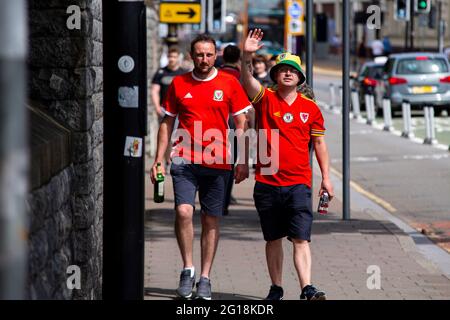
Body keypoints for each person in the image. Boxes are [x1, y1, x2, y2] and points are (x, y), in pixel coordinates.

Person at [151, 34, 251, 300]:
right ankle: (188, 268)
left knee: (210, 219)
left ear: (215, 55)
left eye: (209, 54)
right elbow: (167, 123)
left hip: (218, 161)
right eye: (199, 54)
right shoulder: (178, 83)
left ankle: (205, 277)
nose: (204, 59)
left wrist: (242, 160)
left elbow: (242, 123)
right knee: (184, 212)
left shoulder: (229, 83)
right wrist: (158, 158)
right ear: (191, 56)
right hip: (184, 159)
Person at [241, 29, 334, 300]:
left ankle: (307, 288)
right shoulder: (264, 99)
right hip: (268, 183)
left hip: (299, 184)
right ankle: (277, 287)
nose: (287, 73)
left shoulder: (311, 109)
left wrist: (326, 178)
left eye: (292, 70)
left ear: (300, 77)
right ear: (275, 76)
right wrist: (247, 55)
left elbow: (319, 145)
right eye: (282, 69)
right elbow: (246, 80)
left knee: (301, 238)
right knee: (273, 239)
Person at [151, 47, 187, 167]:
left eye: (174, 57)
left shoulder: (183, 73)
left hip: (180, 111)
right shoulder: (161, 73)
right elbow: (155, 91)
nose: (172, 59)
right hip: (164, 110)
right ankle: (166, 160)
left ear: (178, 58)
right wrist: (157, 107)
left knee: (175, 137)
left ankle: (172, 160)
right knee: (164, 137)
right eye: (170, 57)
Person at [220, 45, 242, 214]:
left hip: (215, 124)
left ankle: (212, 200)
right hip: (235, 124)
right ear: (238, 59)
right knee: (229, 164)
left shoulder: (216, 74)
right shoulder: (240, 77)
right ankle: (224, 203)